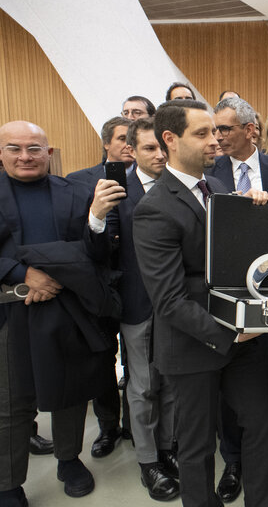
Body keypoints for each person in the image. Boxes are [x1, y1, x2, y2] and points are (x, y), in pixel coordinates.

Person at [132, 99, 268, 507]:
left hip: (242, 339)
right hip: (193, 344)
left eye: (215, 131)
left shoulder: (219, 189)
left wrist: (255, 214)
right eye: (203, 133)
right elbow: (169, 300)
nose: (215, 140)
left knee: (261, 426)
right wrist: (231, 335)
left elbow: (236, 260)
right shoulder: (154, 208)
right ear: (170, 139)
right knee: (196, 445)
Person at [0, 121, 123, 504]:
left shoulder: (77, 192)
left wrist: (97, 218)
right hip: (10, 312)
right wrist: (22, 273)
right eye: (15, 148)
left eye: (34, 148)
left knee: (70, 392)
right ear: (1, 153)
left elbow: (97, 252)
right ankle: (7, 483)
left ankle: (69, 460)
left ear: (49, 153)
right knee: (11, 402)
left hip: (67, 307)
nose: (25, 156)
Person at [209, 96, 268, 502]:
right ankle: (233, 460)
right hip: (226, 291)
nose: (217, 137)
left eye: (224, 129)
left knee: (262, 382)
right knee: (228, 387)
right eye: (214, 130)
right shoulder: (209, 173)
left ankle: (261, 458)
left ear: (250, 130)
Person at [102, 117, 179, 501]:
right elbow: (103, 248)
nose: (159, 155)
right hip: (138, 304)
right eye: (150, 149)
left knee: (170, 382)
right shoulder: (118, 191)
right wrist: (96, 217)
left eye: (163, 147)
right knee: (144, 385)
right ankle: (148, 461)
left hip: (177, 303)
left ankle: (167, 448)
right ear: (131, 150)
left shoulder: (179, 186)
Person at [67, 116, 134, 459]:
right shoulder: (78, 181)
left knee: (138, 361)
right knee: (104, 360)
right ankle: (108, 426)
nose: (128, 144)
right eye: (122, 138)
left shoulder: (150, 180)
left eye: (132, 139)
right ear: (106, 142)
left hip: (137, 284)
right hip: (99, 285)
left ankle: (136, 425)